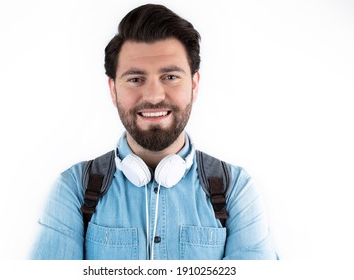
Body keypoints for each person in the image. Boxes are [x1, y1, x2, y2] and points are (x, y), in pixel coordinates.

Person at [30, 4, 277, 260]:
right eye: (135, 79)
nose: (153, 96)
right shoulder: (73, 189)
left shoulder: (236, 189)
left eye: (170, 77)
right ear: (113, 90)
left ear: (194, 84)